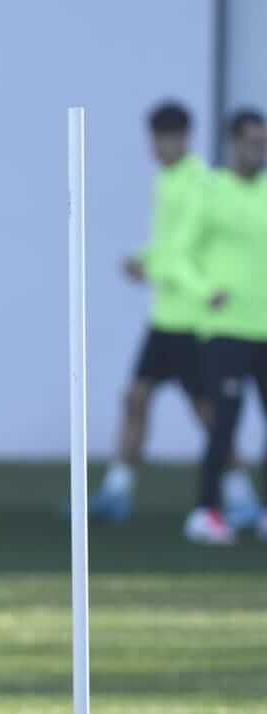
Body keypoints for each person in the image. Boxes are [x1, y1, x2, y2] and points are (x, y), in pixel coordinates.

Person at [89, 101, 259, 524]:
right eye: (154, 139)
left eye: (166, 139)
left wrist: (151, 267)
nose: (158, 147)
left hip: (193, 318)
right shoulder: (165, 180)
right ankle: (117, 488)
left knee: (209, 415)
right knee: (135, 397)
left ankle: (238, 494)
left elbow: (185, 254)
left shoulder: (199, 183)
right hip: (164, 316)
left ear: (184, 138)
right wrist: (144, 259)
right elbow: (170, 248)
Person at [178, 109, 267, 544]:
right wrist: (204, 288)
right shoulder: (211, 191)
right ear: (233, 142)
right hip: (226, 329)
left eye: (263, 142)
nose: (259, 150)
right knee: (224, 423)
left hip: (265, 327)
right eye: (251, 142)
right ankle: (206, 510)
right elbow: (180, 253)